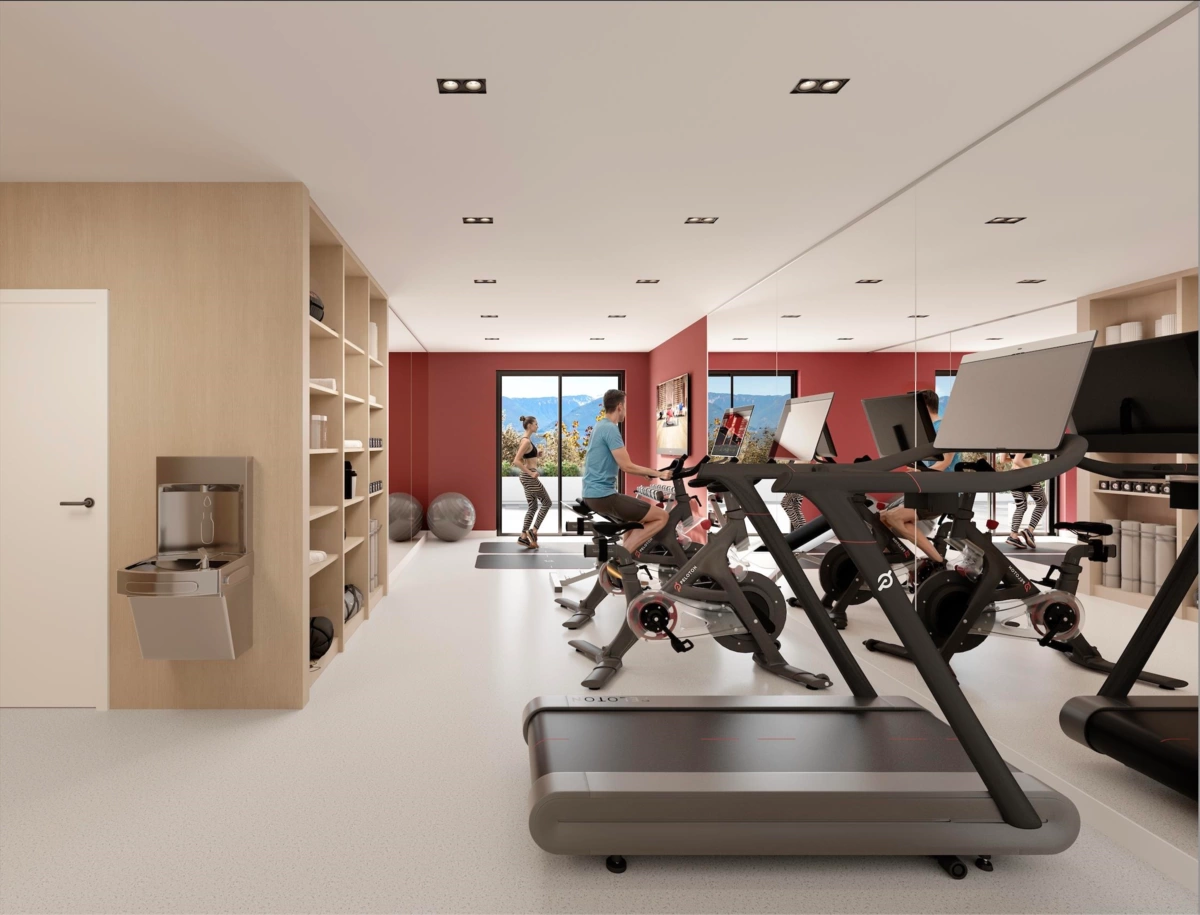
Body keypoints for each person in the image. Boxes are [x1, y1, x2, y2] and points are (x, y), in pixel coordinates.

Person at [582, 389, 671, 557]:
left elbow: (615, 461)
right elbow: (626, 466)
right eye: (626, 406)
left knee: (633, 519)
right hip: (603, 496)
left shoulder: (600, 426)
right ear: (620, 407)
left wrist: (645, 472)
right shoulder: (611, 429)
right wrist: (658, 473)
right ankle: (621, 556)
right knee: (662, 516)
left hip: (592, 494)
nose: (627, 411)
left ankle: (621, 567)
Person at [881, 389, 959, 565]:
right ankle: (910, 566)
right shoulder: (924, 434)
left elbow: (944, 464)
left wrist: (921, 473)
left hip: (943, 493)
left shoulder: (944, 429)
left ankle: (938, 562)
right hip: (926, 492)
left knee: (894, 517)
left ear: (922, 407)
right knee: (882, 518)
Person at [512, 415, 552, 549]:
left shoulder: (526, 440)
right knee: (547, 502)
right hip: (528, 477)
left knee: (533, 507)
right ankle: (533, 531)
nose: (537, 426)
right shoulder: (526, 442)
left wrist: (536, 455)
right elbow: (516, 461)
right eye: (536, 424)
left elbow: (526, 457)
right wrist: (531, 473)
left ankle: (523, 537)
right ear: (529, 425)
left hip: (526, 477)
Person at [999, 452, 1047, 550]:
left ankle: (1013, 535)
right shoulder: (1022, 440)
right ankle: (1029, 531)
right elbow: (1018, 460)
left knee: (1021, 506)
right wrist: (1032, 472)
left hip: (1013, 475)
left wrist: (1014, 460)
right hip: (1027, 475)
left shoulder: (1007, 441)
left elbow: (1002, 460)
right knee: (1042, 503)